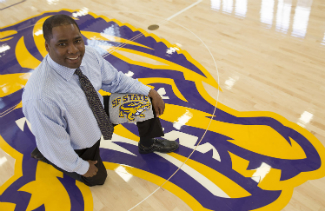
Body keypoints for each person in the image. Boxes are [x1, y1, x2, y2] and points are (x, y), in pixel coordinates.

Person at [22, 14, 179, 186]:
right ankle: (47, 154)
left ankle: (147, 144)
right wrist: (80, 167)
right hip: (75, 134)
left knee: (144, 102)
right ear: (47, 46)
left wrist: (149, 91)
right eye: (62, 44)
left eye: (77, 40)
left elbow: (116, 81)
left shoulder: (89, 55)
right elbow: (57, 143)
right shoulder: (41, 96)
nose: (73, 50)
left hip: (95, 109)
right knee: (97, 178)